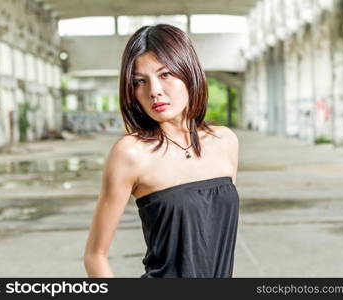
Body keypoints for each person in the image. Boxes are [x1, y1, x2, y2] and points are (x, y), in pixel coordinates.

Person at [83, 24, 239, 278]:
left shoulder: (225, 142)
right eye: (139, 81)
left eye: (164, 74)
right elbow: (94, 255)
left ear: (189, 72)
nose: (154, 90)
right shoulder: (131, 153)